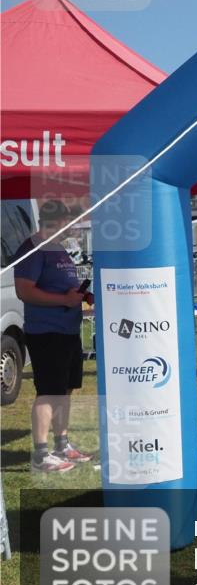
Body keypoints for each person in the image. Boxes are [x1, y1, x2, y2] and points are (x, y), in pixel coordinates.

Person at [13, 201, 94, 473]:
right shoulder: (33, 249)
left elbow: (64, 288)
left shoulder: (58, 249)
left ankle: (62, 445)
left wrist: (81, 297)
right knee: (48, 392)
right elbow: (24, 290)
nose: (72, 227)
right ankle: (41, 454)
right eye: (68, 222)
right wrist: (63, 299)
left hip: (68, 330)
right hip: (46, 332)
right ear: (57, 220)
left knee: (65, 391)